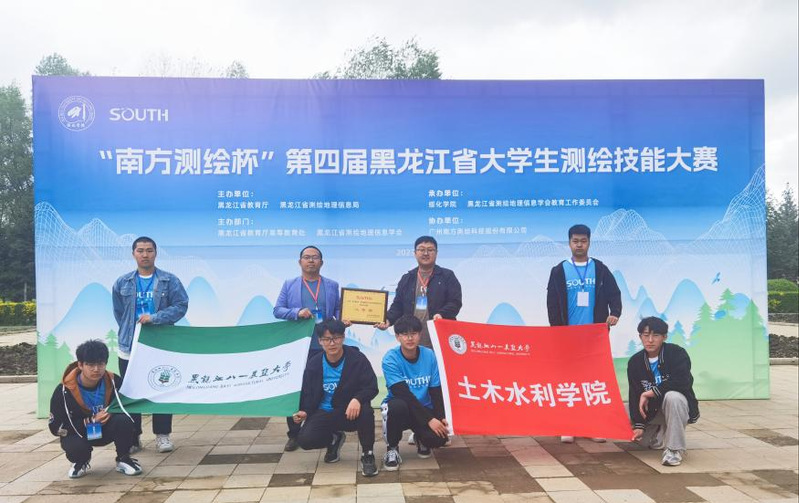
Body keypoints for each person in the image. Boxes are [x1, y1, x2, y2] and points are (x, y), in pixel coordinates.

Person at [112, 236, 188, 454]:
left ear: (155, 253)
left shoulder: (169, 281)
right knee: (132, 392)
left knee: (162, 389)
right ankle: (133, 436)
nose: (145, 255)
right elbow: (119, 313)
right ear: (133, 254)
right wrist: (131, 330)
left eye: (149, 250)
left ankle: (162, 435)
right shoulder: (122, 282)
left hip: (161, 345)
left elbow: (181, 306)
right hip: (130, 347)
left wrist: (155, 318)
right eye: (140, 250)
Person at [546, 224, 622, 443]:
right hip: (568, 338)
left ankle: (592, 426)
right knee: (568, 382)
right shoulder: (559, 270)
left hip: (594, 338)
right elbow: (552, 304)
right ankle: (568, 426)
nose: (579, 245)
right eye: (575, 241)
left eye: (583, 241)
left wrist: (615, 313)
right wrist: (557, 332)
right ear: (569, 243)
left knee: (592, 382)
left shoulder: (600, 268)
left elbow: (614, 294)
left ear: (589, 242)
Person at [274, 245, 347, 452]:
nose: (311, 261)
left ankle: (325, 429)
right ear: (300, 262)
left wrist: (343, 319)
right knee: (297, 389)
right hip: (300, 347)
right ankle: (294, 434)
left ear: (321, 262)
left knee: (324, 389)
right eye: (307, 257)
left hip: (326, 347)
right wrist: (297, 312)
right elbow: (277, 310)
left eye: (315, 257)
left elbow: (338, 309)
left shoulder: (331, 285)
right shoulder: (289, 285)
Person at [292, 319, 379, 477]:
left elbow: (372, 387)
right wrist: (305, 411)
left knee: (366, 412)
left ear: (343, 338)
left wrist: (357, 399)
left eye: (336, 338)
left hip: (349, 411)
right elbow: (308, 392)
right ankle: (334, 438)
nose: (332, 343)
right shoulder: (314, 363)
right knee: (305, 440)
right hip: (324, 411)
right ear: (320, 341)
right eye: (326, 339)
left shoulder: (357, 359)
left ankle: (368, 454)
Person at [49, 339, 142, 479]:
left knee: (124, 420)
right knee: (74, 445)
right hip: (81, 433)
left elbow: (130, 407)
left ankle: (123, 458)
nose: (96, 369)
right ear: (80, 365)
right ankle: (80, 461)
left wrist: (112, 415)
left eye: (101, 364)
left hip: (106, 429)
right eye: (90, 365)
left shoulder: (114, 381)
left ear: (106, 363)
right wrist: (91, 420)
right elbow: (56, 427)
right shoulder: (64, 390)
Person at [628, 316, 699, 467]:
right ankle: (657, 432)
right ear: (640, 337)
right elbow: (634, 394)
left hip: (676, 407)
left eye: (656, 335)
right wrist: (639, 424)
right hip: (652, 411)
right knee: (619, 413)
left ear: (664, 337)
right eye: (646, 335)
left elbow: (683, 381)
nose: (650, 340)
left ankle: (674, 449)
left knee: (673, 397)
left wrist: (651, 392)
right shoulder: (635, 361)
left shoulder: (677, 353)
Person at [380, 315, 448, 471]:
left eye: (414, 333)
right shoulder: (390, 359)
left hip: (424, 407)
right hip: (402, 407)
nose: (409, 338)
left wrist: (440, 417)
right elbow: (402, 394)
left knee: (439, 439)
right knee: (397, 406)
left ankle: (421, 437)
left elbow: (435, 389)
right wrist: (429, 420)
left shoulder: (429, 355)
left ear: (420, 334)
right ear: (397, 337)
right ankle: (392, 448)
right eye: (404, 334)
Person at [377, 236, 462, 349]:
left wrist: (441, 314)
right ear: (415, 253)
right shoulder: (407, 278)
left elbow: (455, 302)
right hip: (412, 340)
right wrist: (388, 320)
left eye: (430, 250)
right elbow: (398, 305)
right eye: (421, 249)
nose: (426, 253)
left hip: (441, 337)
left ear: (436, 253)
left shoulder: (447, 276)